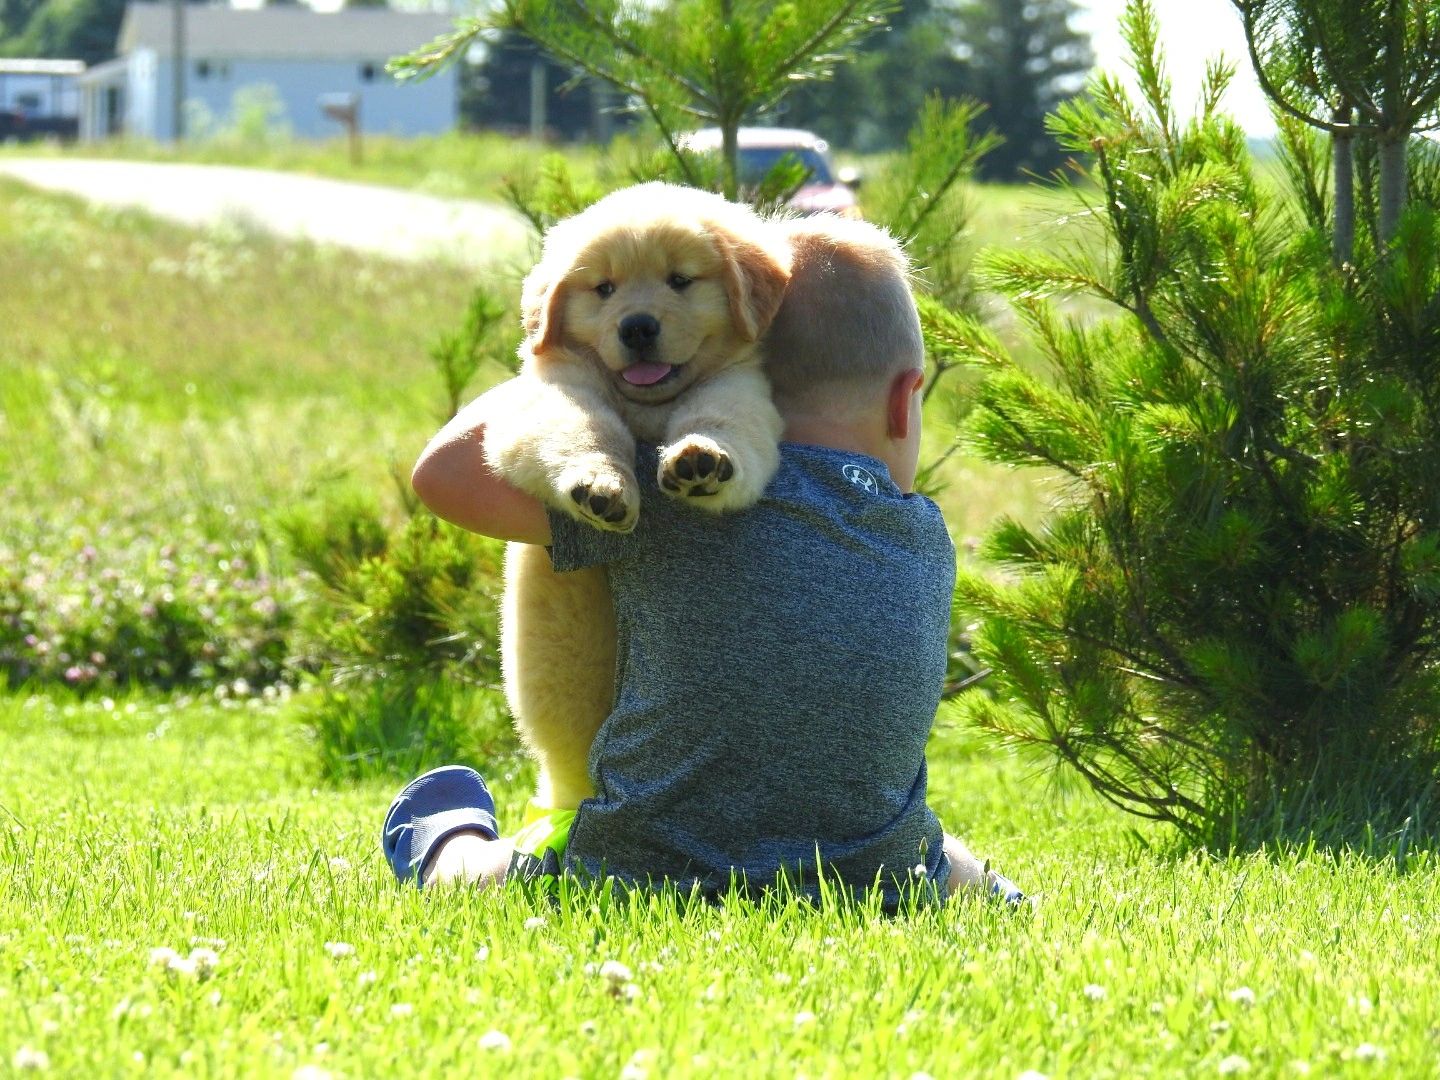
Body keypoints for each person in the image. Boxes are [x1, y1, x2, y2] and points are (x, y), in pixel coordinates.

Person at [385, 216, 1025, 907]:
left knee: (485, 872)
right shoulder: (921, 533)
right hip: (875, 874)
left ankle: (446, 840)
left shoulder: (662, 499)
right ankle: (996, 889)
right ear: (907, 401)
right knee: (917, 845)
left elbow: (441, 474)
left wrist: (578, 365)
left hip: (640, 869)